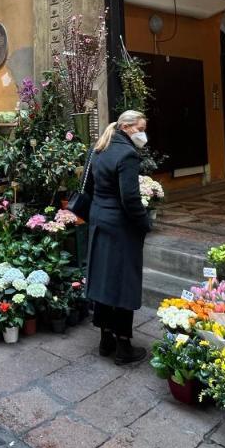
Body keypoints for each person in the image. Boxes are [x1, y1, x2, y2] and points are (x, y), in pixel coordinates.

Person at [84, 109, 152, 365]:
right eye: (140, 129)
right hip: (121, 226)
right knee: (123, 283)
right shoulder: (127, 154)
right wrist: (144, 223)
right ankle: (123, 346)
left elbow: (89, 187)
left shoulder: (99, 148)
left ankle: (105, 339)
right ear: (126, 127)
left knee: (104, 281)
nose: (143, 134)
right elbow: (131, 198)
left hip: (99, 221)